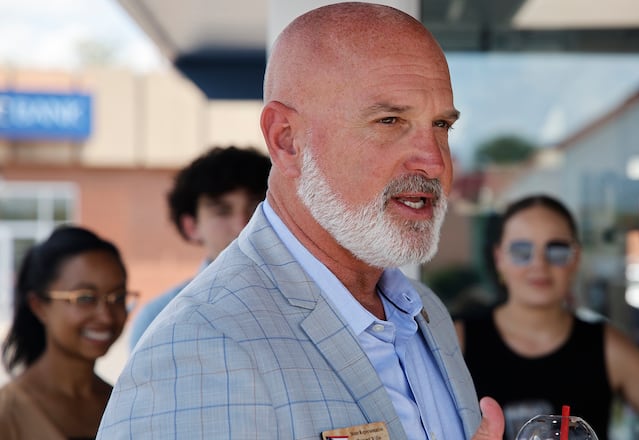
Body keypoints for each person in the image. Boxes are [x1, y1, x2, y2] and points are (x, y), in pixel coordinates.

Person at [99, 3, 504, 439]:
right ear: (286, 140)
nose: (434, 161)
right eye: (390, 120)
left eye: (441, 125)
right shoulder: (201, 350)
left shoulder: (424, 312)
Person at [455, 194, 639, 439]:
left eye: (556, 250)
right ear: (499, 258)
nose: (539, 264)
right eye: (522, 251)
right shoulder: (457, 340)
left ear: (575, 258)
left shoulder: (606, 346)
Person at [127, 145, 272, 349]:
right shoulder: (159, 317)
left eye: (257, 207)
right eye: (222, 211)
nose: (243, 224)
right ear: (191, 226)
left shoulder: (309, 295)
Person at [0, 225, 133, 439]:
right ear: (39, 306)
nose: (106, 316)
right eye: (85, 298)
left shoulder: (127, 405)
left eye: (118, 297)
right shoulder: (8, 414)